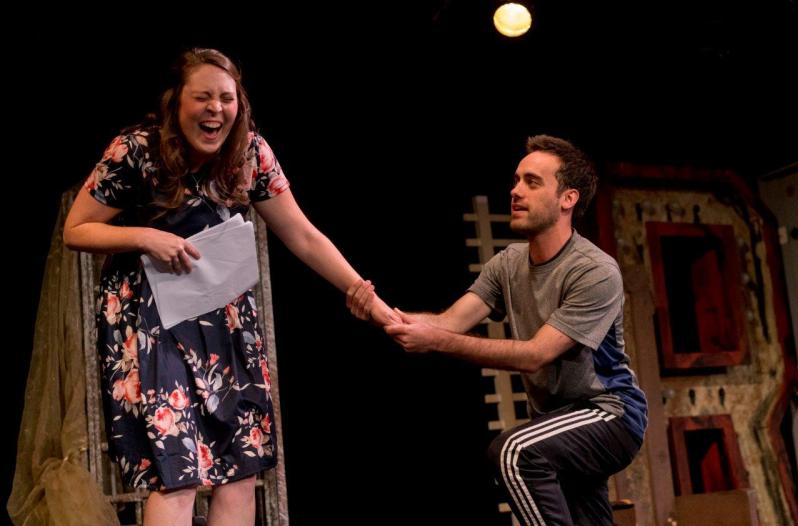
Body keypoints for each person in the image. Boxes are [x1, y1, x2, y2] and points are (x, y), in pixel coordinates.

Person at [64, 48, 395, 526]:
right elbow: (77, 229)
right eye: (202, 98)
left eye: (226, 98)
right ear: (176, 103)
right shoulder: (137, 149)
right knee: (175, 469)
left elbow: (302, 234)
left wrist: (366, 296)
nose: (215, 109)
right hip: (152, 320)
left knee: (240, 463)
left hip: (224, 318)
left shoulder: (251, 152)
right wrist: (143, 236)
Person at [347, 135, 648, 525]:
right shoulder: (508, 263)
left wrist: (436, 341)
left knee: (514, 454)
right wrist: (377, 310)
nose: (515, 191)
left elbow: (535, 354)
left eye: (532, 182)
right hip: (555, 423)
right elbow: (449, 323)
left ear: (567, 199)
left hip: (609, 414)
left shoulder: (594, 271)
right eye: (517, 180)